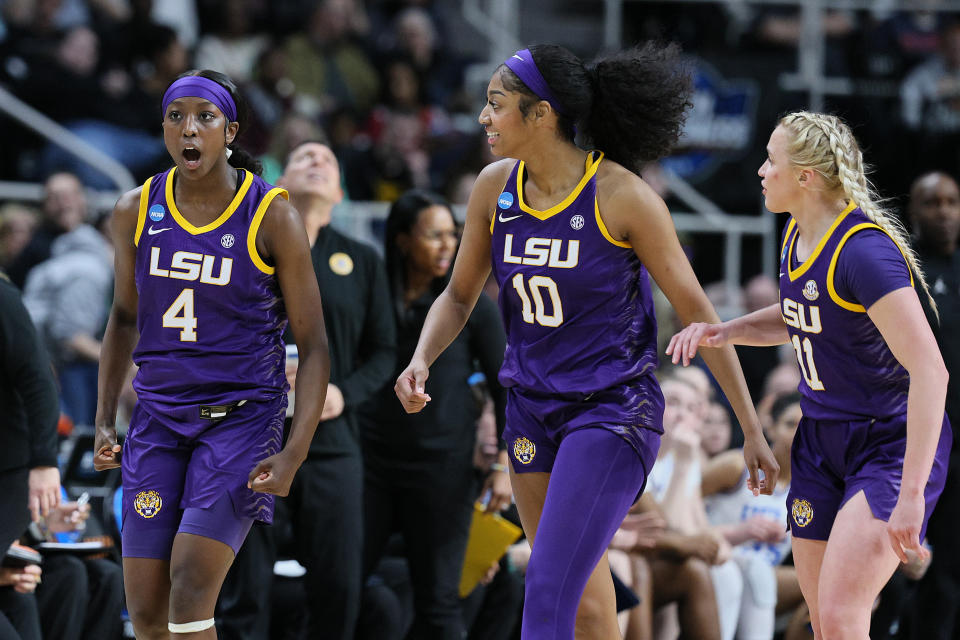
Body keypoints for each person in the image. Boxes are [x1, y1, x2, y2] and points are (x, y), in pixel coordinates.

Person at [394, 43, 779, 638]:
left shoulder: (622, 196)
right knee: (588, 602)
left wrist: (752, 429)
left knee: (545, 584)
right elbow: (458, 296)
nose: (483, 118)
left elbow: (701, 316)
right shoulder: (493, 188)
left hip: (611, 411)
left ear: (540, 114)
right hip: (529, 407)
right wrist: (421, 358)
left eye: (496, 105)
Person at [668, 110, 953, 640]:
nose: (759, 170)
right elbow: (799, 313)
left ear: (805, 176)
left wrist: (912, 494)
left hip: (886, 444)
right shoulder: (796, 236)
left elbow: (932, 371)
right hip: (821, 440)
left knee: (845, 619)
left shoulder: (864, 251)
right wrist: (725, 331)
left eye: (770, 161)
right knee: (824, 621)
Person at [92, 69, 330, 640]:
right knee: (146, 610)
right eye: (176, 117)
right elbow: (124, 318)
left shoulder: (272, 214)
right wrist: (103, 418)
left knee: (191, 586)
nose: (188, 129)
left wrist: (295, 450)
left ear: (231, 131)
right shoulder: (134, 209)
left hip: (241, 418)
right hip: (157, 417)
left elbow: (316, 343)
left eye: (205, 117)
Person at [218, 139, 397, 640]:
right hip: (255, 437)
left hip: (334, 445)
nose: (317, 161)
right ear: (278, 185)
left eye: (327, 159)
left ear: (340, 192)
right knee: (244, 587)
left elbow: (384, 352)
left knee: (339, 588)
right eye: (304, 157)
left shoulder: (361, 259)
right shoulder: (246, 247)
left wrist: (342, 393)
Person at [359, 189, 508, 638]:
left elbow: (506, 387)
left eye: (453, 235)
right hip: (370, 466)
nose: (448, 245)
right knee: (343, 588)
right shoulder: (372, 296)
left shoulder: (471, 306)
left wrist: (503, 463)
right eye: (434, 235)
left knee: (440, 603)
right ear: (403, 241)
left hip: (444, 471)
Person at [906, 170, 960, 640]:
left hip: (959, 447)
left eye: (951, 202)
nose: (944, 212)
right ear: (913, 213)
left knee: (950, 570)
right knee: (905, 561)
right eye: (932, 203)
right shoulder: (903, 275)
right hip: (914, 445)